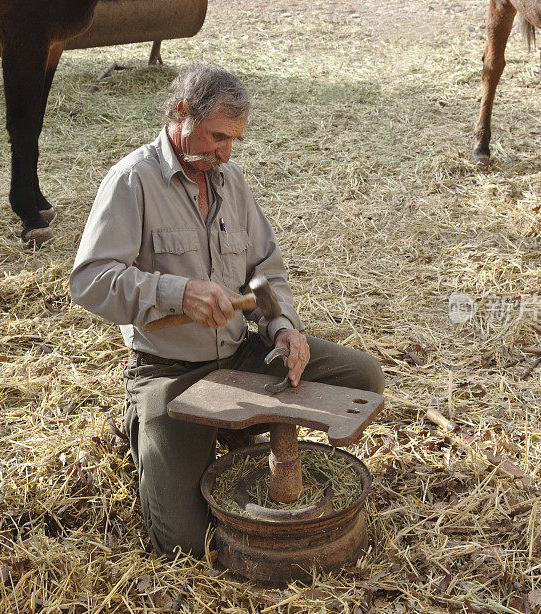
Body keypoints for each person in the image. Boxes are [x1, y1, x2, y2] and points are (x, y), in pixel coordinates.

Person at [69, 63, 384, 558]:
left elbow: (264, 273)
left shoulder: (228, 179)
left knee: (361, 377)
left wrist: (282, 328)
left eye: (234, 140)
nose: (226, 152)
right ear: (181, 114)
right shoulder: (132, 180)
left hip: (242, 355)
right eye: (218, 136)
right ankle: (149, 424)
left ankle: (236, 431)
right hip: (170, 371)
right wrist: (179, 292)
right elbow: (89, 281)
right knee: (183, 546)